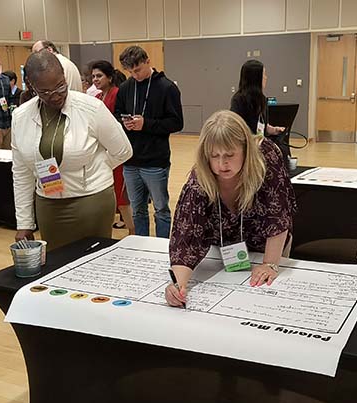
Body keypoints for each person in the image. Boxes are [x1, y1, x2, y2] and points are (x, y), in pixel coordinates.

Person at [166, 111, 295, 306]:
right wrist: (178, 285)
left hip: (268, 246)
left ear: (245, 149)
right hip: (225, 252)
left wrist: (270, 264)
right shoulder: (198, 182)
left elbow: (278, 216)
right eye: (214, 156)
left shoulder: (266, 159)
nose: (221, 164)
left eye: (229, 155)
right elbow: (186, 237)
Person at [12, 51, 132, 250]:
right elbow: (22, 172)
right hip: (48, 202)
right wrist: (24, 223)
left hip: (91, 201)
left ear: (65, 77)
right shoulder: (20, 116)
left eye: (60, 86)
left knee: (93, 265)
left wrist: (94, 168)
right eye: (46, 92)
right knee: (56, 266)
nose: (56, 96)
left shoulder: (91, 108)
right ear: (32, 87)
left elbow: (123, 150)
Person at [115, 45, 184, 238]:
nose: (134, 75)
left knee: (161, 210)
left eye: (137, 70)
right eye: (130, 72)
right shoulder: (125, 88)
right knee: (137, 210)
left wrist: (146, 124)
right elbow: (117, 114)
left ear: (148, 61)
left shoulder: (167, 87)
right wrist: (125, 123)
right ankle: (141, 245)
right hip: (131, 160)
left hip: (155, 161)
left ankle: (162, 246)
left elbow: (177, 122)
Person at [89, 59, 134, 234]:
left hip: (115, 151)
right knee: (109, 195)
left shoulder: (117, 94)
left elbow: (119, 122)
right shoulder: (97, 97)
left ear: (109, 77)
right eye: (93, 76)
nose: (95, 79)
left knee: (121, 198)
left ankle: (133, 231)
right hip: (101, 152)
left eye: (99, 76)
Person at [230, 59, 285, 137]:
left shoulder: (262, 99)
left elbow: (262, 126)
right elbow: (235, 129)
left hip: (260, 143)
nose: (266, 78)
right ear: (256, 79)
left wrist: (273, 130)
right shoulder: (239, 100)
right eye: (263, 75)